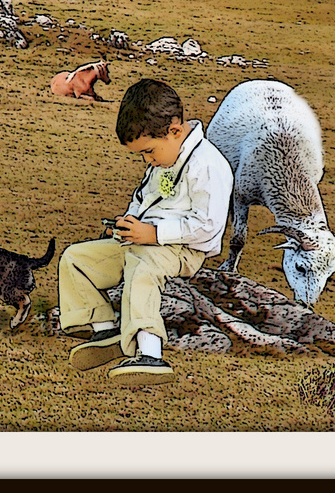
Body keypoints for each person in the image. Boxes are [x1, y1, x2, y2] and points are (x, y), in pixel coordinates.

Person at [58, 78, 232, 386]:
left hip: (182, 249)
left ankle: (150, 351)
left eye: (149, 152)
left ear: (175, 131)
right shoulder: (164, 158)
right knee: (76, 259)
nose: (147, 160)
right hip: (142, 239)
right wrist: (129, 221)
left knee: (142, 269)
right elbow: (146, 196)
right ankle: (105, 330)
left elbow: (208, 227)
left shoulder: (207, 166)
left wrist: (153, 233)